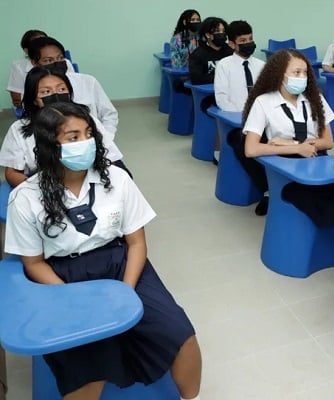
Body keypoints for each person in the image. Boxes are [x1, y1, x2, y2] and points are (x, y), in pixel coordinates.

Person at [4, 102, 202, 400]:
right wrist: (70, 298)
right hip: (62, 276)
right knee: (88, 362)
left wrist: (127, 291)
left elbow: (137, 243)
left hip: (121, 262)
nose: (84, 143)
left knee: (179, 334)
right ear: (49, 144)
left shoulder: (117, 179)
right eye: (73, 137)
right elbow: (33, 262)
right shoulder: (26, 197)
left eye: (88, 134)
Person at [232, 49, 334, 217]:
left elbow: (328, 141)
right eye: (296, 72)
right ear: (280, 75)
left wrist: (292, 143)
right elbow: (250, 149)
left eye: (305, 73)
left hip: (314, 158)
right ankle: (271, 195)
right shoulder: (263, 101)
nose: (302, 77)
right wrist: (296, 148)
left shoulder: (316, 98)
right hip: (284, 160)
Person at [0, 67, 127, 187]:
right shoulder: (19, 129)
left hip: (89, 181)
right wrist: (37, 190)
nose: (56, 95)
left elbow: (110, 159)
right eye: (46, 92)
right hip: (43, 185)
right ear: (33, 99)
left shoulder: (86, 120)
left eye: (61, 90)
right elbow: (12, 173)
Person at [26, 36, 119, 135]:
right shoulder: (34, 87)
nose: (56, 63)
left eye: (60, 58)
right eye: (48, 60)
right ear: (35, 63)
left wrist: (105, 138)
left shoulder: (87, 81)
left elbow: (109, 115)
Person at [214, 20, 265, 112]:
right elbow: (222, 99)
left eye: (250, 39)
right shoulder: (224, 65)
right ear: (232, 44)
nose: (248, 43)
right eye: (243, 41)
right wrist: (242, 115)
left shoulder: (261, 65)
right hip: (235, 117)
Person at [189, 17, 232, 86]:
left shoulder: (231, 52)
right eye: (217, 31)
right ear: (208, 34)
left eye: (223, 31)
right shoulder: (197, 55)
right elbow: (196, 79)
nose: (221, 34)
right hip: (208, 93)